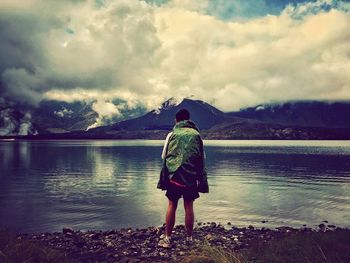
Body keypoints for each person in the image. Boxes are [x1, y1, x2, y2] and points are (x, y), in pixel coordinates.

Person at [157, 108, 209, 248]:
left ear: (177, 120)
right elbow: (202, 157)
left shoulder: (172, 134)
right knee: (189, 206)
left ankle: (168, 238)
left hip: (174, 176)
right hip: (191, 177)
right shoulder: (197, 135)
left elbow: (164, 156)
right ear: (189, 119)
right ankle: (189, 238)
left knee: (172, 205)